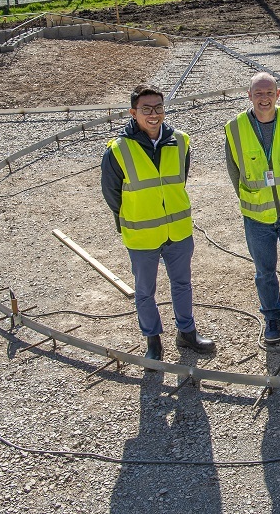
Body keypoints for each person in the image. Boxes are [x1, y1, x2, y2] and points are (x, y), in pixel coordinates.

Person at [101, 84, 216, 362]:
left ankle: (186, 332)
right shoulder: (118, 150)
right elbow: (112, 194)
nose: (154, 114)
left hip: (177, 231)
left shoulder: (180, 141)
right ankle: (153, 340)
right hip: (142, 235)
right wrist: (134, 219)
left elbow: (179, 181)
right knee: (145, 291)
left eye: (158, 108)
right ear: (133, 113)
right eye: (146, 109)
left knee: (182, 283)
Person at [225, 72, 280, 344]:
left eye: (269, 92)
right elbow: (234, 170)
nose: (264, 98)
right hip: (257, 215)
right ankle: (272, 318)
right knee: (264, 272)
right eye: (258, 93)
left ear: (278, 94)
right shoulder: (235, 128)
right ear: (249, 96)